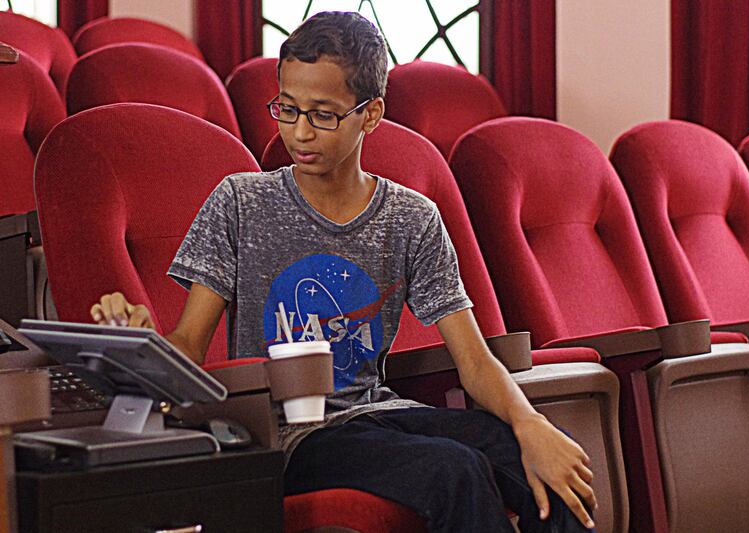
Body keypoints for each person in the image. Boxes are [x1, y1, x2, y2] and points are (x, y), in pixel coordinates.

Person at [90, 11, 596, 532]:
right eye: (288, 109)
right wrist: (141, 344)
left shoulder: (411, 217)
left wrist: (532, 424)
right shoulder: (241, 202)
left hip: (381, 415)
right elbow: (189, 345)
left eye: (323, 115)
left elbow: (474, 361)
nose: (300, 131)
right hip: (291, 437)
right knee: (454, 470)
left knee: (555, 466)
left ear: (370, 114)